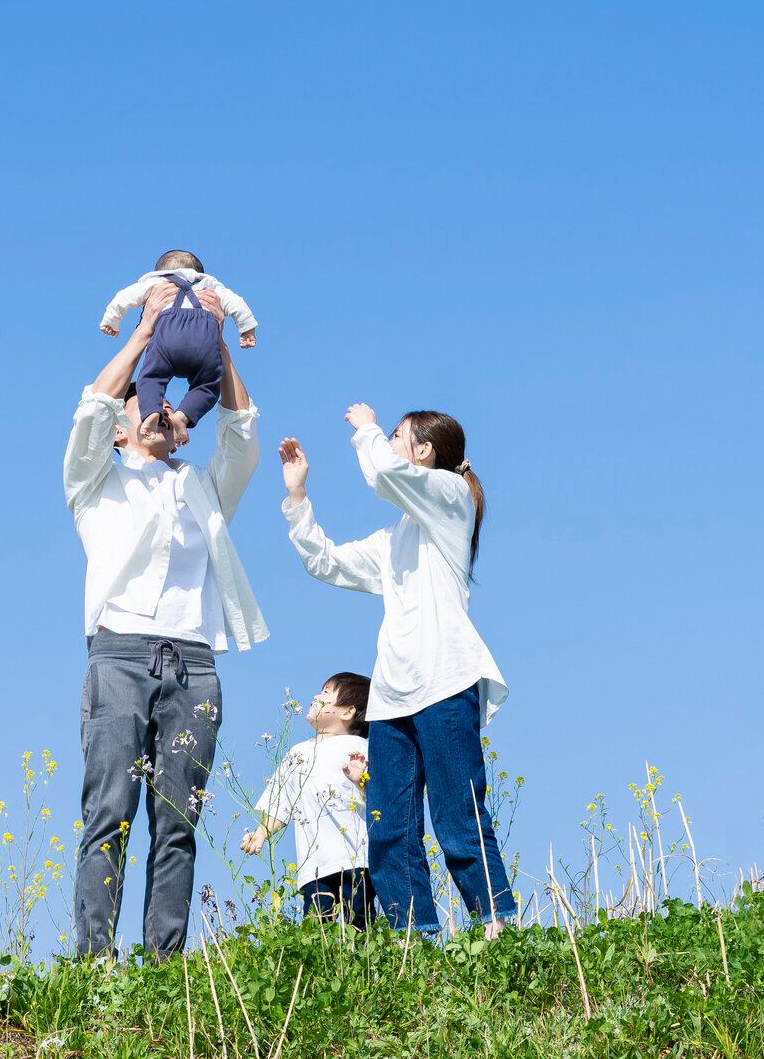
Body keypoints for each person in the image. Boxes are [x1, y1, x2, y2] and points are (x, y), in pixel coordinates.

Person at [64, 281, 267, 958]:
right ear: (122, 427)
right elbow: (92, 407)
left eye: (166, 408)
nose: (156, 412)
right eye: (141, 405)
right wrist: (144, 332)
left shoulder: (202, 488)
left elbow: (241, 437)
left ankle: (163, 964)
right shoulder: (97, 483)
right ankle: (95, 962)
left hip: (194, 666)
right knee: (109, 815)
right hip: (119, 656)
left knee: (176, 821)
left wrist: (216, 344)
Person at [277, 406, 514, 937]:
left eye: (397, 437)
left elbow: (387, 474)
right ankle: (418, 939)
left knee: (457, 817)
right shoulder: (394, 539)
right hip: (390, 699)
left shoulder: (453, 500)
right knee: (388, 828)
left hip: (446, 682)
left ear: (423, 452)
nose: (387, 442)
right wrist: (297, 499)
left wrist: (364, 426)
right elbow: (326, 563)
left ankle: (497, 927)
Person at [241, 673, 374, 928]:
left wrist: (361, 780)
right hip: (314, 863)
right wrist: (261, 833)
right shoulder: (298, 752)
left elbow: (379, 800)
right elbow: (281, 802)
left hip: (356, 858)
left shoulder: (360, 746)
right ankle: (322, 968)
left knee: (358, 923)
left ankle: (362, 966)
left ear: (347, 712)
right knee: (316, 928)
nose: (316, 696)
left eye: (326, 693)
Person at [97, 249, 260, 442]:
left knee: (150, 379)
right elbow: (237, 304)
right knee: (208, 386)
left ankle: (150, 413)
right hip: (204, 344)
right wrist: (247, 330)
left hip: (167, 341)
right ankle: (184, 416)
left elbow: (124, 297)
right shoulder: (210, 287)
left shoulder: (157, 283)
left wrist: (112, 320)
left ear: (160, 271)